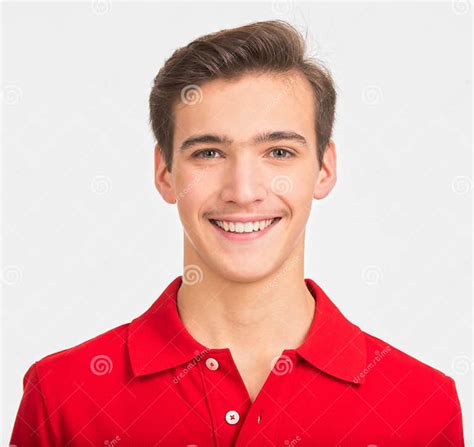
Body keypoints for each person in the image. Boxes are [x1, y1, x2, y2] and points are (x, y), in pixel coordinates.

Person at [10, 20, 464, 446]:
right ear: (165, 173)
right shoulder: (63, 396)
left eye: (279, 151)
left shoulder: (423, 406)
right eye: (209, 152)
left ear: (324, 169)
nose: (243, 192)